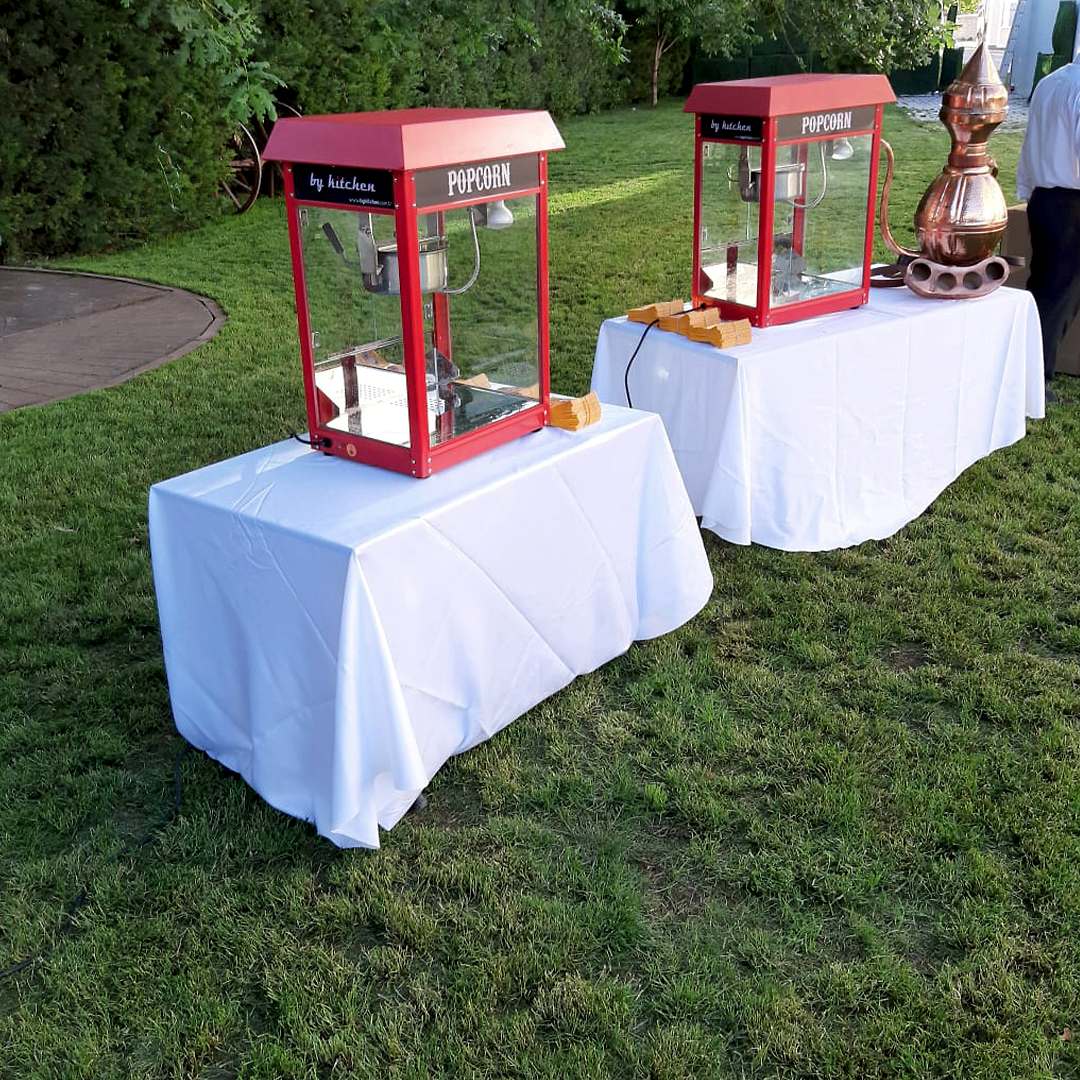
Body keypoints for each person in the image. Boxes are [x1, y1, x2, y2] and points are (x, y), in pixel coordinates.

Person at [1017, 48, 1080, 394]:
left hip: (1044, 196)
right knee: (1058, 294)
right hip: (1070, 201)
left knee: (1046, 286)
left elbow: (1030, 142)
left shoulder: (1049, 82)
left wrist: (1027, 190)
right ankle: (1035, 377)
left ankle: (1030, 369)